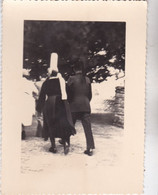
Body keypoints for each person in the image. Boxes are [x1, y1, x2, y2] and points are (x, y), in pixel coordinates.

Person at [36, 68, 76, 155]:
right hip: (62, 103)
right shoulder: (62, 82)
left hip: (50, 103)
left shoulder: (46, 83)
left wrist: (39, 108)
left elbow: (42, 96)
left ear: (49, 74)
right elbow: (70, 93)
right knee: (64, 122)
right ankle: (66, 144)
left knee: (51, 123)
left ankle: (53, 146)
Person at [66, 61, 95, 156]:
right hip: (86, 106)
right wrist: (86, 102)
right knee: (88, 128)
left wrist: (70, 103)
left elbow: (68, 94)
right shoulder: (87, 79)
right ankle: (90, 148)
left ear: (74, 70)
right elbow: (90, 95)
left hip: (74, 106)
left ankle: (66, 143)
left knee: (70, 125)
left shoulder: (71, 79)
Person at [22, 74, 38, 139]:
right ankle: (23, 130)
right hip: (26, 100)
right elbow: (36, 92)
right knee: (24, 115)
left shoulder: (15, 82)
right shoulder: (29, 83)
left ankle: (20, 130)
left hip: (16, 99)